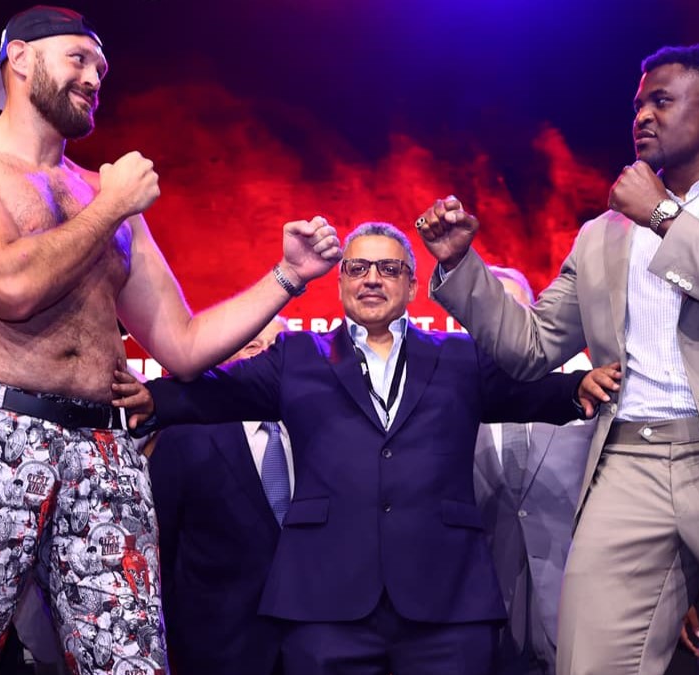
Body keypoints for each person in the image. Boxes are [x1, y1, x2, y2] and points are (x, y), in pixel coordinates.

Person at [0, 5, 341, 674]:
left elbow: (182, 345)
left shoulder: (103, 194)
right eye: (78, 59)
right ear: (20, 59)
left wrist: (288, 277)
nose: (94, 78)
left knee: (130, 659)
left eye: (101, 68)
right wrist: (111, 206)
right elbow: (8, 284)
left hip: (103, 447)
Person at [416, 44, 699, 675]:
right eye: (637, 106)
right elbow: (530, 349)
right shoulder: (602, 233)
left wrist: (663, 216)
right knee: (590, 663)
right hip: (628, 460)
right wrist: (461, 265)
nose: (642, 117)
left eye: (661, 101)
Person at [114, 222, 618, 675]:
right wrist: (156, 399)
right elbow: (218, 390)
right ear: (339, 283)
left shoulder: (459, 357)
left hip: (446, 602)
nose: (372, 279)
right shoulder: (297, 356)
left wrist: (575, 388)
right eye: (357, 268)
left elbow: (527, 390)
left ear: (413, 286)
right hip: (325, 606)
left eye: (388, 269)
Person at [147, 316, 292, 675]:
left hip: (310, 650)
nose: (266, 356)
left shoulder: (320, 432)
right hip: (218, 650)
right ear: (223, 359)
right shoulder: (183, 438)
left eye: (277, 347)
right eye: (252, 346)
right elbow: (161, 550)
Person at [472, 266, 599, 675]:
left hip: (571, 587)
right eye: (489, 312)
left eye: (512, 311)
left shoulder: (583, 380)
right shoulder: (452, 389)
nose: (501, 325)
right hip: (485, 598)